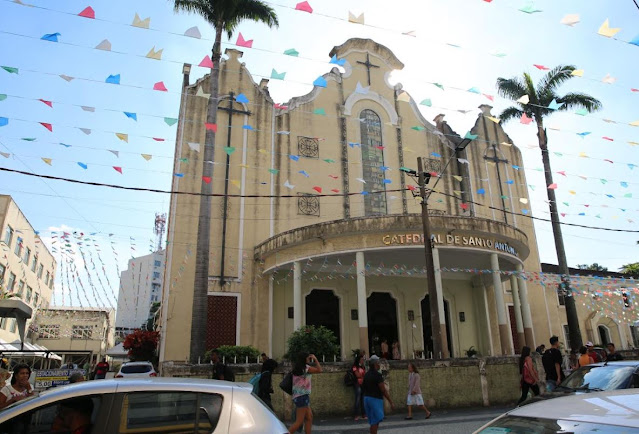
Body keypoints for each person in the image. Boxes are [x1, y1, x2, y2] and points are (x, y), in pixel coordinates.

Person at [288, 352, 321, 434]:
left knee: (309, 417)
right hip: (302, 397)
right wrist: (315, 359)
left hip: (299, 396)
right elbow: (319, 370)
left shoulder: (297, 368)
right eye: (308, 358)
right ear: (304, 359)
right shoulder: (306, 368)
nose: (309, 359)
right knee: (299, 421)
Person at [362, 355, 394, 434]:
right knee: (375, 421)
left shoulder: (366, 375)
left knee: (372, 421)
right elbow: (383, 390)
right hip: (375, 399)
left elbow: (363, 387)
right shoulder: (377, 375)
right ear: (375, 363)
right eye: (378, 363)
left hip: (367, 398)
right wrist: (390, 401)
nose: (379, 364)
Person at [351, 355, 366, 421]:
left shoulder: (362, 367)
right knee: (357, 399)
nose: (362, 361)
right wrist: (362, 376)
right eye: (361, 359)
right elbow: (357, 375)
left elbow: (364, 374)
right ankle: (356, 415)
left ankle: (363, 414)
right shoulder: (355, 367)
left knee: (363, 399)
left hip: (363, 384)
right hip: (357, 384)